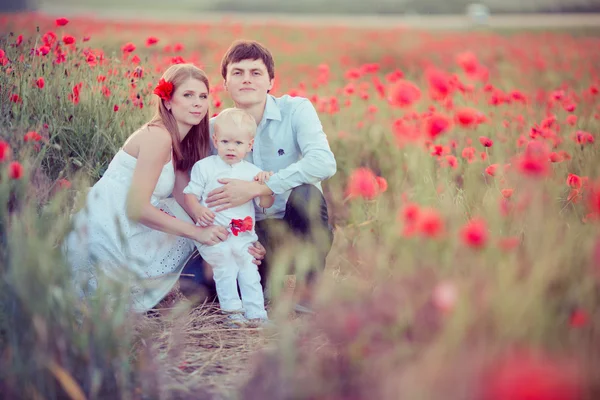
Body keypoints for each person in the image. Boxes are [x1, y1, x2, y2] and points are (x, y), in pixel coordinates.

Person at [63, 64, 264, 313]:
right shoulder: (158, 137)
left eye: (202, 96)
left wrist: (240, 239)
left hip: (126, 221)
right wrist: (197, 233)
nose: (197, 104)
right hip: (111, 228)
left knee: (196, 218)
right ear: (168, 102)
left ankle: (228, 283)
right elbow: (136, 209)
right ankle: (204, 288)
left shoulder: (181, 141)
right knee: (192, 229)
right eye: (187, 95)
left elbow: (188, 202)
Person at [179, 40, 337, 313]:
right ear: (225, 83)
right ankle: (261, 281)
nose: (246, 79)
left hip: (290, 227)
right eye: (237, 73)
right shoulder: (213, 130)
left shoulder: (295, 110)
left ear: (270, 81)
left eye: (256, 73)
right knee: (197, 287)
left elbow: (323, 162)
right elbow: (192, 185)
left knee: (307, 193)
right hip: (241, 233)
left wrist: (258, 188)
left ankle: (307, 290)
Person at [183, 108, 274, 326]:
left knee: (249, 271)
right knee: (225, 268)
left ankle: (256, 314)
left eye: (238, 143)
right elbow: (189, 194)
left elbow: (265, 204)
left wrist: (265, 187)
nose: (231, 148)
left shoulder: (253, 172)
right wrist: (197, 210)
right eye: (225, 141)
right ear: (215, 141)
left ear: (249, 145)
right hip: (215, 233)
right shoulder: (204, 167)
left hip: (243, 236)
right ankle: (232, 312)